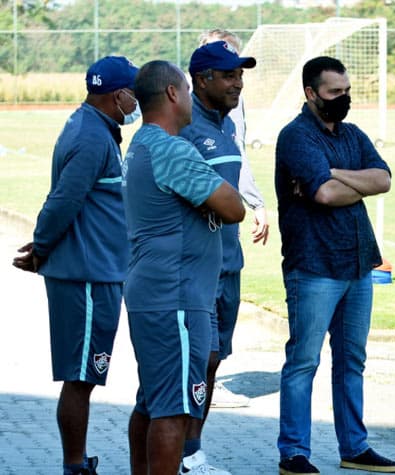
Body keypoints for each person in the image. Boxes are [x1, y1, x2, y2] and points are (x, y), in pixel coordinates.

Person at [11, 55, 139, 475]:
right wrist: (42, 249)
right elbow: (63, 201)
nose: (136, 101)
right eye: (133, 94)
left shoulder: (92, 126)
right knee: (81, 376)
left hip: (96, 269)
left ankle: (77, 461)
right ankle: (74, 465)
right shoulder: (92, 137)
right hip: (87, 274)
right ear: (118, 95)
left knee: (83, 374)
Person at [274, 56, 395, 475]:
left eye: (346, 91)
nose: (343, 99)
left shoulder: (352, 134)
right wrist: (348, 182)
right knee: (303, 361)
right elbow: (325, 196)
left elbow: (383, 179)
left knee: (351, 360)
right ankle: (294, 453)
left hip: (359, 264)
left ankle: (355, 447)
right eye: (334, 93)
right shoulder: (295, 137)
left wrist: (332, 174)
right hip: (313, 266)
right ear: (311, 93)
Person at [123, 60, 245, 475]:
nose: (192, 99)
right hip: (175, 295)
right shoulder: (172, 149)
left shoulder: (142, 142)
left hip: (154, 291)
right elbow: (233, 207)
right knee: (173, 410)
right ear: (174, 94)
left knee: (153, 401)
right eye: (187, 91)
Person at [177, 39, 259, 475]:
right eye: (229, 76)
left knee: (212, 364)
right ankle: (187, 454)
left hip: (231, 265)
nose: (237, 84)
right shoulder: (186, 130)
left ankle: (193, 450)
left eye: (240, 75)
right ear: (201, 80)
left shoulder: (226, 128)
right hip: (197, 272)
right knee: (200, 360)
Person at [198, 29, 270, 251]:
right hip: (198, 226)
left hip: (224, 218)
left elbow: (235, 152)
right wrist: (256, 203)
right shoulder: (183, 108)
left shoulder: (231, 104)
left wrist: (254, 201)